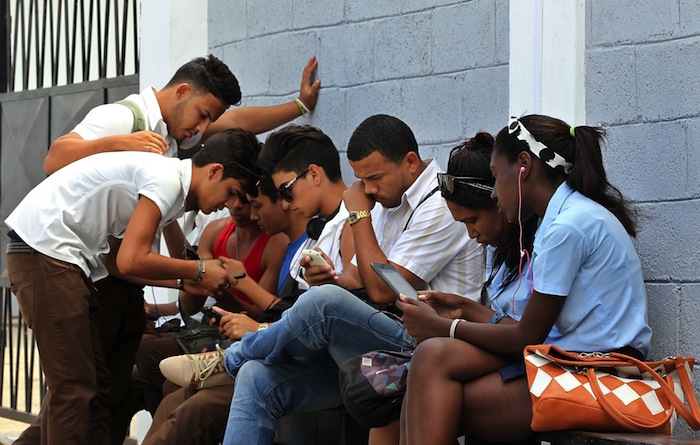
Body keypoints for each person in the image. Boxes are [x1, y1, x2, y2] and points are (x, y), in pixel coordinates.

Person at [204, 114, 483, 445]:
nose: (367, 188)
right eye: (362, 179)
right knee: (256, 375)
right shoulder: (384, 202)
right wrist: (329, 279)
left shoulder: (437, 204)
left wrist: (358, 214)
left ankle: (235, 355)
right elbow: (356, 280)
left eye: (375, 177)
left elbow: (382, 290)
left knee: (319, 304)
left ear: (410, 163)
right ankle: (243, 358)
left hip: (431, 345)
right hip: (388, 343)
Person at [398, 114, 652, 445]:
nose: (492, 194)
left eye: (494, 175)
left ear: (523, 166)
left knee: (427, 394)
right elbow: (531, 333)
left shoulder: (568, 226)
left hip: (604, 374)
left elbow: (525, 338)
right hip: (567, 360)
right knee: (431, 363)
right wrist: (462, 309)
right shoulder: (558, 221)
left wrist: (445, 327)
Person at [4, 128, 262, 445]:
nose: (230, 205)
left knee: (98, 388)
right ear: (215, 171)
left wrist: (189, 278)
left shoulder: (169, 183)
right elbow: (130, 260)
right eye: (233, 192)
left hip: (57, 258)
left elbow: (115, 261)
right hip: (44, 253)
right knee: (75, 389)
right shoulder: (167, 180)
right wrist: (198, 270)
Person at [141, 176, 312, 445]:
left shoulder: (280, 243)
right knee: (164, 389)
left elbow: (267, 314)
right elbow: (191, 302)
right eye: (230, 198)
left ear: (283, 202)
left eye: (250, 202)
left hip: (259, 350)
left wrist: (236, 287)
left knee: (177, 391)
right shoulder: (217, 232)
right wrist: (198, 277)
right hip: (234, 339)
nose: (238, 208)